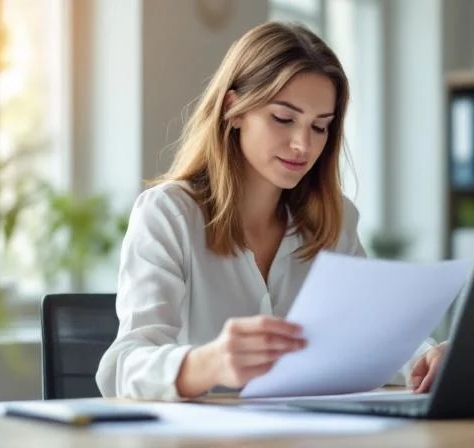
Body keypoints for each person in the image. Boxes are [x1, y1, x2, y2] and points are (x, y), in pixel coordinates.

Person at [95, 21, 447, 401]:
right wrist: (211, 362)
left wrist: (426, 358)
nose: (302, 144)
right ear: (234, 109)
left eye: (320, 127)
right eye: (284, 118)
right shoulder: (169, 214)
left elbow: (372, 331)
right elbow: (123, 366)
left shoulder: (334, 220)